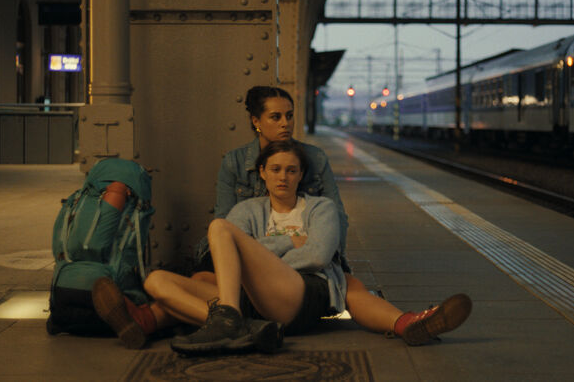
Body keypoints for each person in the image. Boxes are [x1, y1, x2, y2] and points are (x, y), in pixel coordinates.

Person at [91, 86, 471, 350]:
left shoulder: (315, 192)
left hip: (297, 285)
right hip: (253, 287)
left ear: (301, 174)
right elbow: (226, 230)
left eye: (290, 116)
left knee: (348, 284)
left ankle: (410, 323)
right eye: (276, 117)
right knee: (166, 279)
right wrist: (288, 242)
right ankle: (242, 328)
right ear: (256, 125)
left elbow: (322, 243)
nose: (286, 123)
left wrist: (264, 256)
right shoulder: (240, 180)